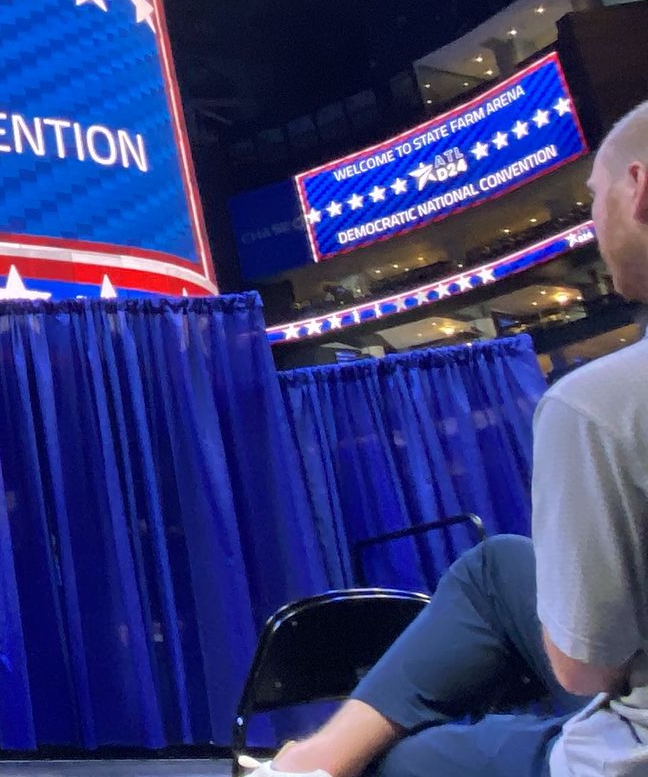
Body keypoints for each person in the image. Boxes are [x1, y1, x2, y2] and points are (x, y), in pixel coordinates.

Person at [249, 98, 648, 777]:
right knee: (496, 568)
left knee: (401, 764)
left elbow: (585, 667)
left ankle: (310, 769)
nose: (590, 218)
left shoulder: (598, 403)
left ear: (639, 190)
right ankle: (314, 760)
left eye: (593, 196)